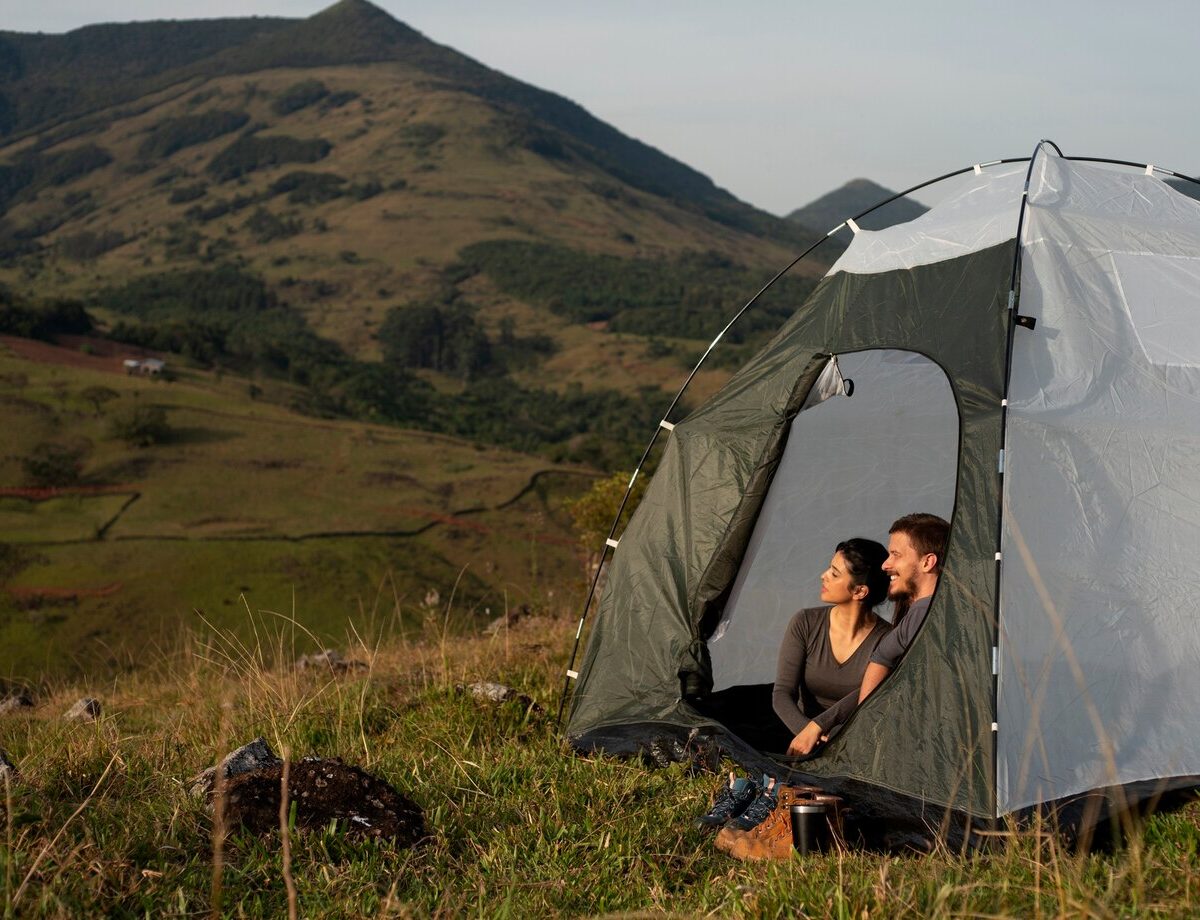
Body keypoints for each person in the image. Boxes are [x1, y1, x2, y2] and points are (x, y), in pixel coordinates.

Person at [771, 538, 891, 757]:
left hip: (851, 746)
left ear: (860, 591)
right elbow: (782, 693)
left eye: (834, 573)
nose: (823, 575)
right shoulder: (805, 622)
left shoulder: (887, 640)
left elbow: (866, 695)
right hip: (798, 738)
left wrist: (821, 730)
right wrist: (807, 732)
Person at [856, 512, 950, 703]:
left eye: (895, 555)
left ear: (927, 562)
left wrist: (864, 728)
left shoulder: (926, 614)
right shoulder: (923, 612)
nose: (885, 564)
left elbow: (883, 661)